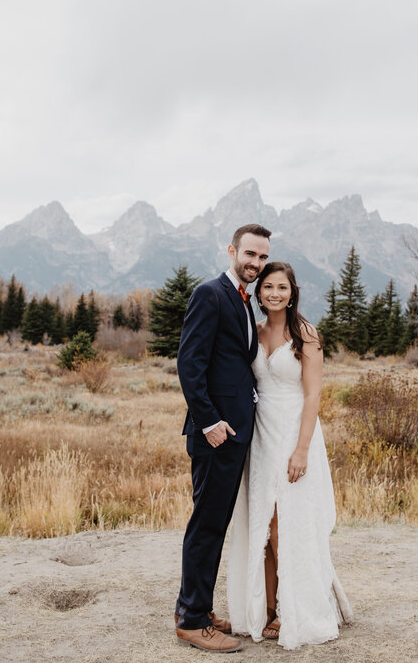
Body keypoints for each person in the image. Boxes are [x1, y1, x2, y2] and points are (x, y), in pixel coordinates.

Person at [227, 261, 352, 649]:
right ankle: (263, 607)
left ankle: (290, 608)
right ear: (259, 293)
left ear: (292, 292)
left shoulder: (306, 335)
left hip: (295, 434)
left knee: (285, 525)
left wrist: (301, 449)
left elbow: (313, 394)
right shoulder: (256, 331)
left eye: (282, 287)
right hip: (261, 436)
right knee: (261, 525)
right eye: (268, 288)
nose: (275, 294)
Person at [175, 224, 271, 653]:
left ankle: (199, 607)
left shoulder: (243, 300)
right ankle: (192, 621)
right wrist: (210, 420)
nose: (255, 263)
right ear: (232, 250)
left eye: (263, 257)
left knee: (215, 523)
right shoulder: (210, 294)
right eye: (249, 254)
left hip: (235, 434)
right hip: (216, 434)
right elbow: (189, 363)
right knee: (207, 524)